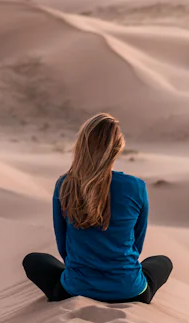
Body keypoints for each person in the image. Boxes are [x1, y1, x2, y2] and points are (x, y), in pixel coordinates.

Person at [22, 113, 173, 304]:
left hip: (75, 289)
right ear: (117, 149)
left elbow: (63, 247)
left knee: (34, 260)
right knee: (162, 262)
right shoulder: (136, 187)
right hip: (129, 290)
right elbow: (137, 244)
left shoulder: (65, 184)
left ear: (81, 146)